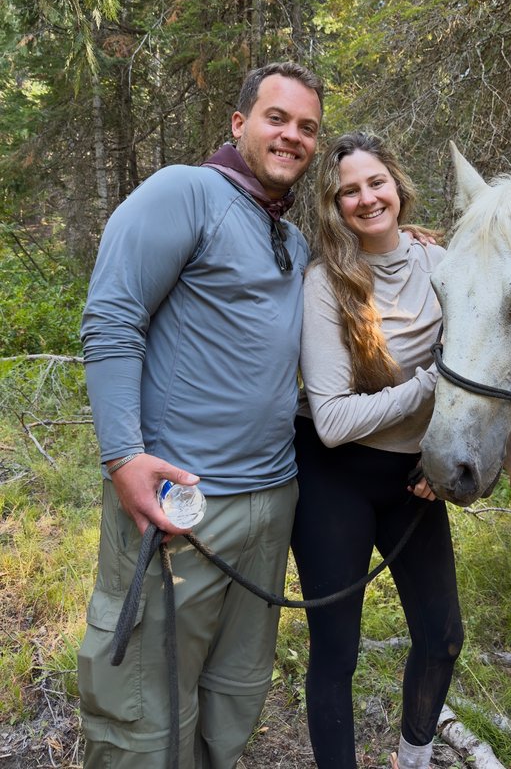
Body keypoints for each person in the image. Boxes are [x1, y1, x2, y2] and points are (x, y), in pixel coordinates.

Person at [77, 61, 323, 769]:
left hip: (270, 503)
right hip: (178, 502)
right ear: (239, 123)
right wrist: (123, 456)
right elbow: (112, 318)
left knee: (234, 692)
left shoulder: (292, 240)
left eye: (307, 127)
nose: (293, 135)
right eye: (277, 118)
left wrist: (407, 243)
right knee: (145, 707)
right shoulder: (185, 191)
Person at [291, 131, 464, 769]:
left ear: (397, 185)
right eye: (349, 192)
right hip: (334, 475)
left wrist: (438, 454)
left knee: (443, 636)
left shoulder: (443, 264)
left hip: (413, 477)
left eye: (376, 183)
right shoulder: (325, 282)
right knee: (337, 652)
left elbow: (481, 370)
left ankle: (412, 759)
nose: (366, 199)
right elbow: (333, 421)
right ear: (333, 205)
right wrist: (429, 382)